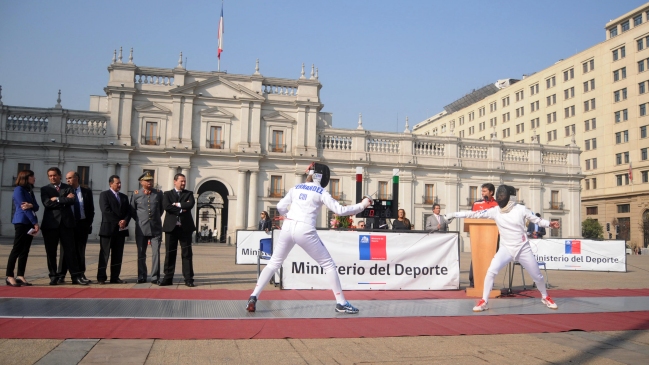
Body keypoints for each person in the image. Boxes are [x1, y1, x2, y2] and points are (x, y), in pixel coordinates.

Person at [246, 162, 373, 314]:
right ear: (323, 176)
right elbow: (340, 210)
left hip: (288, 226)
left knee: (274, 263)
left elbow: (280, 206)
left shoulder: (296, 188)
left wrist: (288, 217)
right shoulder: (320, 192)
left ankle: (253, 297)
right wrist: (363, 204)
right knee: (328, 265)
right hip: (304, 229)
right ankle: (341, 303)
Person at [445, 185, 560, 312]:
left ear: (510, 197)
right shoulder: (495, 211)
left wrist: (549, 224)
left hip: (523, 248)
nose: (500, 198)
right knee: (491, 271)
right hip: (506, 249)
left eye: (502, 195)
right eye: (499, 195)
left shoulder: (521, 209)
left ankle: (545, 297)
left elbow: (537, 220)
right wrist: (453, 214)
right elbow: (474, 214)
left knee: (537, 276)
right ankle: (484, 301)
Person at [41, 167, 88, 285]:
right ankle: (53, 276)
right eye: (50, 176)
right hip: (51, 225)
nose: (52, 177)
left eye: (54, 175)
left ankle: (75, 276)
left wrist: (56, 199)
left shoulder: (68, 187)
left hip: (66, 224)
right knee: (51, 252)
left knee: (70, 251)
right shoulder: (45, 189)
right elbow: (47, 204)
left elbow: (72, 201)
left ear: (59, 176)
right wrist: (64, 200)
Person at [159, 173, 196, 287]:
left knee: (187, 254)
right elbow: (166, 206)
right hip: (171, 228)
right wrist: (181, 210)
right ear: (175, 181)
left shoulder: (189, 194)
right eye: (181, 181)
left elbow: (190, 205)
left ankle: (188, 278)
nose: (183, 183)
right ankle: (168, 277)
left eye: (184, 181)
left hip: (185, 228)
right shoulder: (167, 194)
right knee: (170, 253)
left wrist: (178, 204)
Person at [58, 171, 95, 283]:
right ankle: (61, 275)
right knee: (65, 250)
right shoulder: (63, 191)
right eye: (66, 178)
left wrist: (88, 223)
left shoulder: (86, 191)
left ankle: (80, 274)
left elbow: (90, 209)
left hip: (82, 224)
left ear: (77, 178)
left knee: (80, 250)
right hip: (68, 224)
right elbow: (59, 206)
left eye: (70, 178)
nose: (67, 180)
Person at [6, 170, 39, 287]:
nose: (34, 178)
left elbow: (36, 206)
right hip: (21, 222)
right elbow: (24, 208)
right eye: (32, 176)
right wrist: (35, 223)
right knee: (17, 249)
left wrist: (32, 205)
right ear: (25, 177)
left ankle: (20, 275)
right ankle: (9, 276)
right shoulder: (18, 190)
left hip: (29, 223)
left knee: (25, 250)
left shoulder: (29, 190)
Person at [130, 171, 163, 283]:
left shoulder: (158, 193)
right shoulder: (136, 194)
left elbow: (161, 209)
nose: (150, 182)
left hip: (156, 228)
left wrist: (155, 220)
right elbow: (132, 211)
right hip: (141, 228)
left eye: (151, 180)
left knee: (156, 253)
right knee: (141, 253)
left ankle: (155, 277)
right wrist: (141, 220)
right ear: (141, 182)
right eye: (147, 180)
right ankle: (141, 276)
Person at [97, 175, 131, 284]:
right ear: (111, 184)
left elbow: (128, 211)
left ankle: (115, 277)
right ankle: (101, 277)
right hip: (108, 230)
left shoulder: (124, 197)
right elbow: (105, 210)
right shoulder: (104, 195)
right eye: (117, 183)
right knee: (104, 254)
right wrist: (118, 221)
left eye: (120, 183)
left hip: (120, 231)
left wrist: (125, 220)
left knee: (117, 255)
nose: (119, 185)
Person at [469, 183, 499, 287]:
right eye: (482, 191)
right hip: (477, 236)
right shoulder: (477, 204)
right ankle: (474, 281)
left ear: (491, 192)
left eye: (485, 191)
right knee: (476, 258)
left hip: (493, 237)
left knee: (492, 260)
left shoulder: (497, 205)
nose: (482, 193)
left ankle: (489, 282)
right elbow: (471, 218)